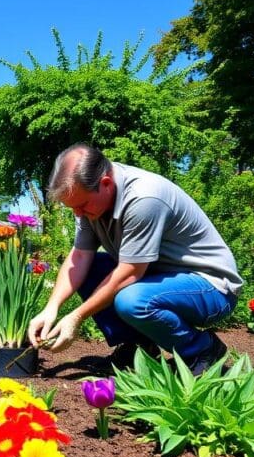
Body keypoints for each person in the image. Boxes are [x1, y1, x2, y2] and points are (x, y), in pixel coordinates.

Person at [27, 143, 243, 375]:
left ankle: (202, 350)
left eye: (81, 206)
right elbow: (80, 256)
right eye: (73, 208)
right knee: (92, 269)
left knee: (132, 300)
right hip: (160, 279)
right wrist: (51, 309)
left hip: (210, 287)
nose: (78, 214)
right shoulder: (90, 200)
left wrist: (76, 317)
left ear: (106, 184)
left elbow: (130, 274)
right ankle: (140, 348)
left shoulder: (144, 198)